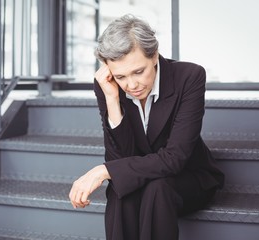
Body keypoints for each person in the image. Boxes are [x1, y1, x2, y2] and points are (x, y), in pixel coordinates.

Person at [69, 14, 224, 240]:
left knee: (155, 188)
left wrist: (103, 170)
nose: (131, 85)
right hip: (144, 177)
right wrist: (113, 101)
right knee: (121, 191)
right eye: (121, 76)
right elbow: (120, 159)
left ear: (154, 56)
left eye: (138, 72)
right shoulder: (108, 85)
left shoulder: (189, 77)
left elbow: (175, 158)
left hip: (188, 177)